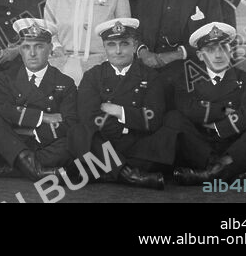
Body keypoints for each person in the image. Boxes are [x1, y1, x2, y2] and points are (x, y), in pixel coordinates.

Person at [167, 22, 246, 184]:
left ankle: (212, 173)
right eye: (210, 50)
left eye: (223, 48)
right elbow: (187, 108)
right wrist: (221, 110)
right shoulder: (186, 80)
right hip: (201, 145)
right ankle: (229, 171)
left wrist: (217, 127)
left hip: (236, 143)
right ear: (201, 55)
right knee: (173, 118)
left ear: (231, 52)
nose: (218, 55)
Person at [68, 18, 176, 189]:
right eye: (111, 44)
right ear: (104, 48)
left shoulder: (150, 76)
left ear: (134, 46)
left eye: (124, 44)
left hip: (136, 144)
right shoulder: (93, 76)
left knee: (167, 133)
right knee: (78, 130)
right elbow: (89, 117)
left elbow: (153, 119)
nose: (118, 51)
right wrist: (127, 125)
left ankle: (107, 173)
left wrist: (119, 111)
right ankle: (130, 175)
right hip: (105, 143)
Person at [0, 18, 77, 181]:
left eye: (39, 47)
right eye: (26, 47)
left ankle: (14, 166)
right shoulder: (6, 78)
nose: (32, 54)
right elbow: (0, 110)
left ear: (50, 49)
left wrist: (31, 131)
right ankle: (33, 167)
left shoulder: (65, 83)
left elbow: (70, 122)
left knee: (73, 144)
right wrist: (42, 117)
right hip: (13, 141)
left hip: (43, 143)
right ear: (20, 50)